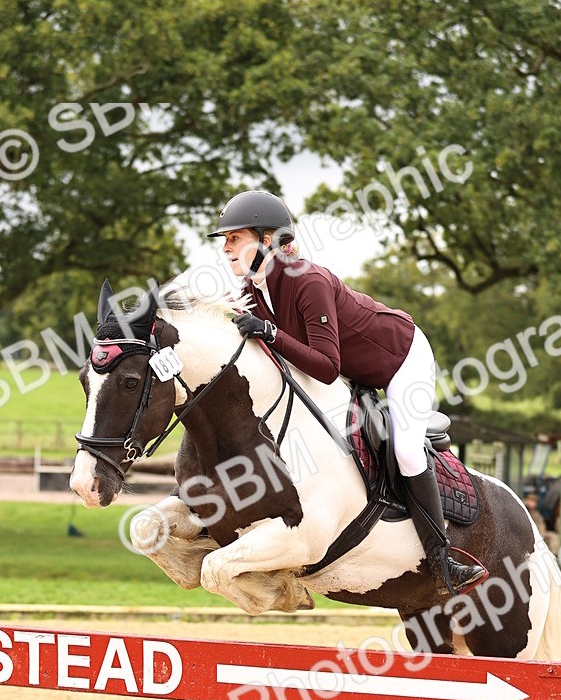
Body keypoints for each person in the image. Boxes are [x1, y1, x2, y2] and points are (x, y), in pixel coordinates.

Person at [207, 189, 487, 600]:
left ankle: (442, 560)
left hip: (401, 358)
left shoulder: (309, 281)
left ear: (267, 240)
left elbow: (325, 365)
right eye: (225, 240)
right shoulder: (256, 289)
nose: (226, 248)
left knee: (408, 449)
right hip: (357, 373)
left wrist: (269, 332)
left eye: (235, 237)